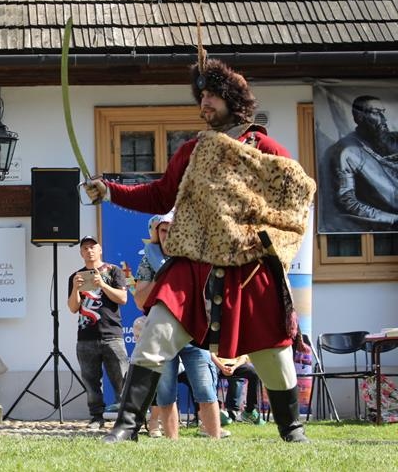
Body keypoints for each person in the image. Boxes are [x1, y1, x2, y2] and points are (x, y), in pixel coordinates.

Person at [86, 58, 315, 444]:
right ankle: (126, 427)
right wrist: (110, 191)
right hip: (193, 265)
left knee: (273, 354)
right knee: (155, 337)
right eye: (202, 95)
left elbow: (296, 201)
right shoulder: (193, 150)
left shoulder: (267, 149)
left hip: (250, 268)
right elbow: (161, 194)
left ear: (233, 100)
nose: (204, 102)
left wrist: (268, 243)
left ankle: (292, 430)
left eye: (213, 95)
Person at [135, 212, 226, 439]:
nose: (168, 235)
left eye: (172, 230)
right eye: (163, 230)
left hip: (194, 333)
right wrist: (163, 276)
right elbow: (139, 301)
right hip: (162, 336)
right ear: (156, 234)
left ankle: (215, 441)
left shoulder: (195, 256)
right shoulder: (149, 260)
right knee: (165, 393)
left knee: (206, 390)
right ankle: (172, 444)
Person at [67, 235, 129, 429]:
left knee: (121, 379)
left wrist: (102, 284)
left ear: (100, 249)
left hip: (112, 334)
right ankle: (96, 417)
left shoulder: (114, 271)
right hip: (86, 337)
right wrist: (75, 289)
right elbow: (73, 307)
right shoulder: (76, 276)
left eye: (92, 247)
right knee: (91, 381)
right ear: (81, 253)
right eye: (85, 248)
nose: (89, 251)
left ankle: (126, 419)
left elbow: (123, 298)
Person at [326, 95, 398, 230]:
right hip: (382, 230)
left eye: (383, 112)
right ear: (359, 117)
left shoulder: (392, 139)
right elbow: (347, 202)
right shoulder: (347, 151)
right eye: (376, 112)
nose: (384, 119)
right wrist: (392, 219)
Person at [212, 353, 267, 426]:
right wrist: (222, 367)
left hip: (236, 365)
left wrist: (234, 367)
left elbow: (243, 355)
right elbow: (210, 354)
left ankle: (250, 411)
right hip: (216, 364)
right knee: (210, 374)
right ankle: (215, 410)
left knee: (254, 373)